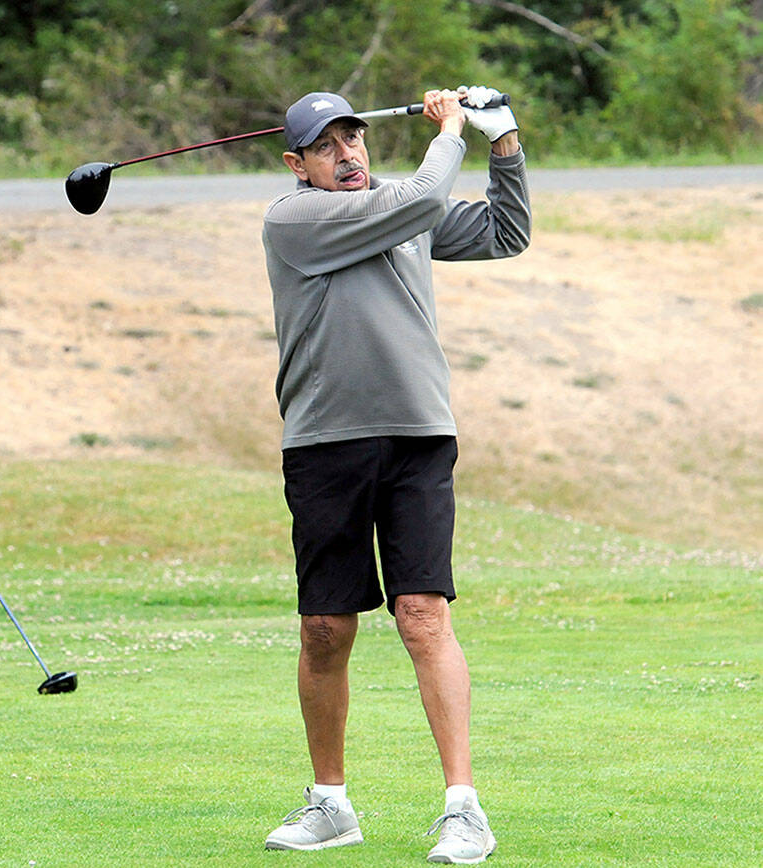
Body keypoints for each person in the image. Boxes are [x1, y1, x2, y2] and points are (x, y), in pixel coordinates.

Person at [260, 86, 528, 863]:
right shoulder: (293, 219)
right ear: (297, 163)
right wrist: (452, 132)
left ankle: (464, 809)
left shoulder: (402, 205)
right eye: (327, 147)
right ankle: (330, 804)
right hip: (323, 439)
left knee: (423, 614)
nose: (347, 155)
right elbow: (423, 197)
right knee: (325, 627)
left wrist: (503, 142)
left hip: (416, 434)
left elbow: (507, 231)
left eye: (354, 140)